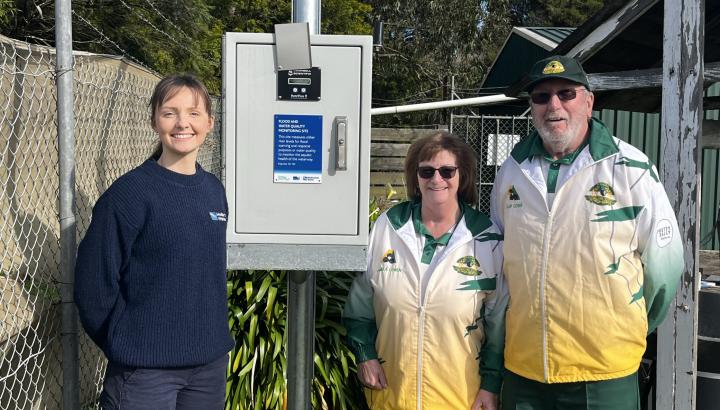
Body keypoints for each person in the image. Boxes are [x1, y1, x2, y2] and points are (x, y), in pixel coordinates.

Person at [490, 55, 684, 409]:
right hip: (524, 372)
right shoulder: (511, 173)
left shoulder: (631, 169)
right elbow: (500, 268)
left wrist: (624, 327)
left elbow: (665, 273)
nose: (554, 105)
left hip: (604, 375)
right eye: (542, 96)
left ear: (589, 101)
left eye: (567, 93)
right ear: (532, 107)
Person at [74, 74, 233, 410]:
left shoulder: (213, 191)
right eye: (170, 112)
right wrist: (125, 341)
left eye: (193, 113)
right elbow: (93, 285)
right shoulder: (129, 195)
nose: (182, 123)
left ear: (209, 122)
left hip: (208, 368)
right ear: (154, 121)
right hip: (144, 373)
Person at [343, 131, 507, 410]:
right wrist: (364, 354)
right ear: (415, 178)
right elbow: (359, 308)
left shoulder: (486, 238)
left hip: (461, 397)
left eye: (447, 171)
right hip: (393, 394)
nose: (436, 179)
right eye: (426, 171)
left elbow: (499, 324)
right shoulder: (387, 227)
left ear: (462, 176)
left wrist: (491, 385)